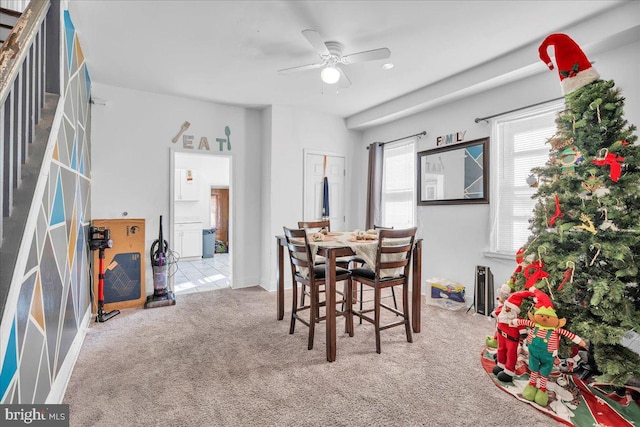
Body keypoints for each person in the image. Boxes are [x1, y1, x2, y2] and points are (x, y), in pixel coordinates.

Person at [512, 289, 587, 406]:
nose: (544, 319)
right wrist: (515, 322)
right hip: (534, 352)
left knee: (545, 371)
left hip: (548, 355)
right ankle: (532, 385)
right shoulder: (535, 324)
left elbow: (569, 334)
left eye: (548, 317)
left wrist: (579, 341)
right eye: (541, 316)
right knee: (533, 368)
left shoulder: (555, 329)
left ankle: (542, 389)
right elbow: (523, 322)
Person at [492, 290, 532, 382]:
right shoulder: (502, 312)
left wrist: (523, 333)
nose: (506, 310)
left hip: (511, 339)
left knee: (511, 354)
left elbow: (522, 328)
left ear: (514, 310)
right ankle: (500, 365)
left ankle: (508, 372)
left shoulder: (516, 319)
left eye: (509, 308)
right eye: (506, 307)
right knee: (501, 349)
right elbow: (496, 313)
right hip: (501, 335)